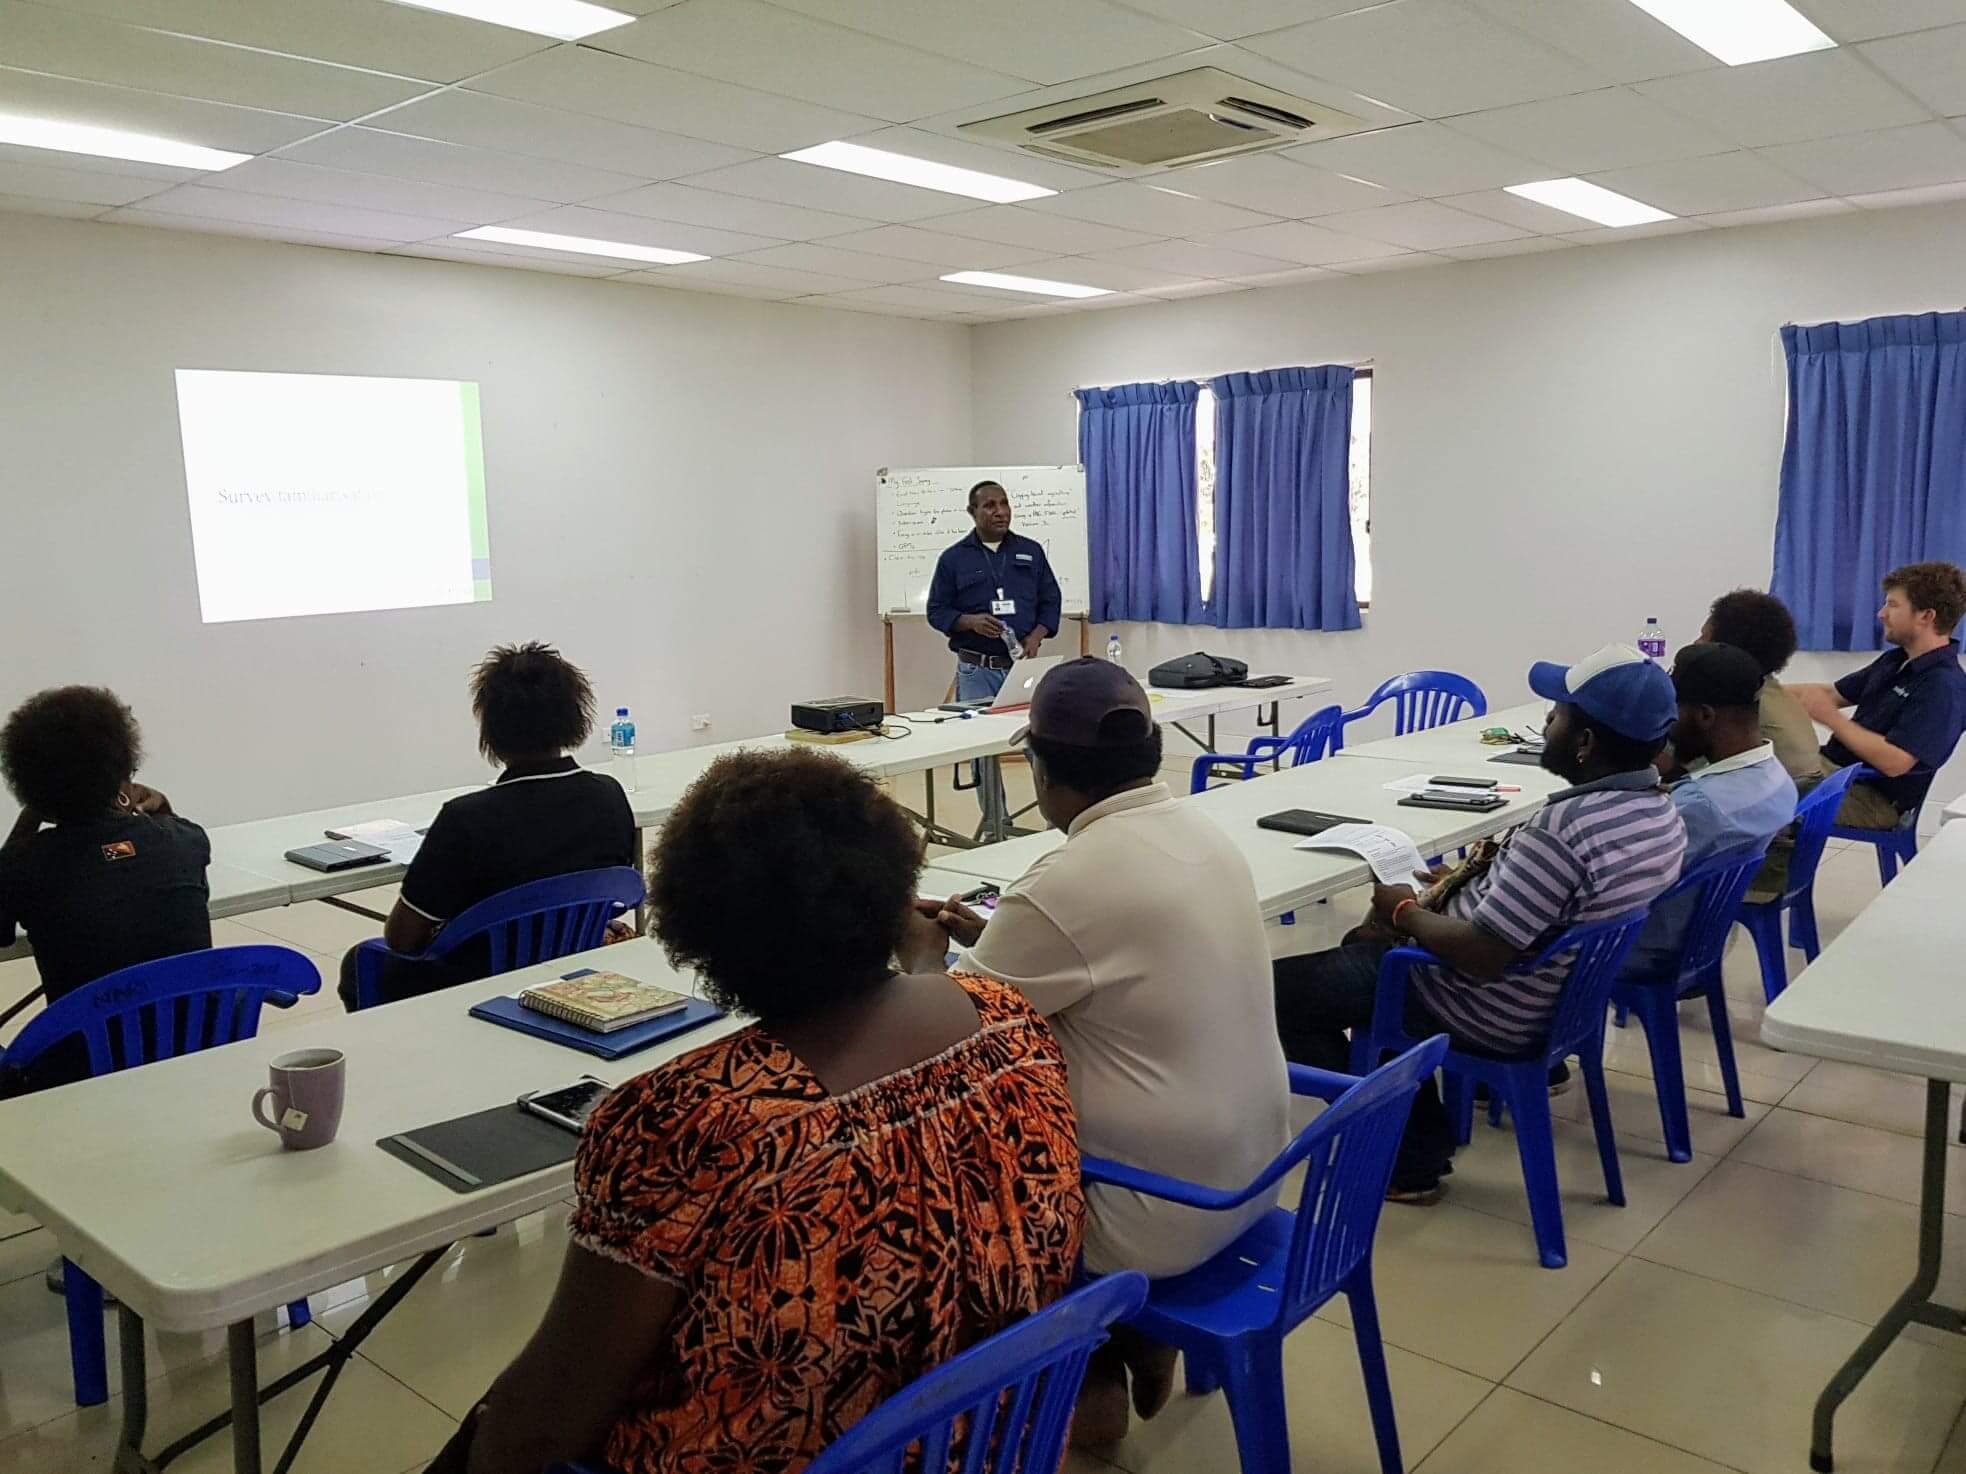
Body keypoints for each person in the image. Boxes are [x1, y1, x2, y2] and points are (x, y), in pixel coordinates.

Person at [432, 750, 1084, 1474]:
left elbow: (546, 1422)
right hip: (987, 1442)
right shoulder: (1012, 1023)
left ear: (700, 933)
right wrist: (922, 962)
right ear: (889, 890)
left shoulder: (686, 1121)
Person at [909, 658, 1288, 1444]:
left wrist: (917, 958)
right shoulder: (1204, 834)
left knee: (940, 1160)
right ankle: (1132, 1340)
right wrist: (1001, 942)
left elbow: (947, 1035)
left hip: (1157, 1213)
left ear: (1042, 773)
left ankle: (1087, 1367)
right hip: (1255, 1177)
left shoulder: (1066, 880)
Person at [1271, 645, 1687, 1202]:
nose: (1546, 722)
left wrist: (1403, 909)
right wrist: (1463, 886)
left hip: (1484, 1002)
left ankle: (1407, 1154)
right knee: (1354, 960)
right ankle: (1409, 1122)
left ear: (1585, 743)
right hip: (1557, 1003)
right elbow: (1534, 907)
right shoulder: (1658, 813)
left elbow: (1483, 953)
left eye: (1558, 713)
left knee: (1270, 994)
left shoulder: (1564, 829)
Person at [338, 642, 635, 1010]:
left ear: (489, 728)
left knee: (358, 961)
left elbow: (402, 937)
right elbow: (613, 895)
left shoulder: (466, 819)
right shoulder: (608, 795)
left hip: (479, 984)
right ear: (576, 719)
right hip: (576, 966)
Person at [0, 686, 211, 1094]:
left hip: (79, 1072)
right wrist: (155, 805)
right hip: (197, 1053)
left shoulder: (24, 865)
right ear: (126, 762)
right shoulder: (185, 840)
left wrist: (32, 816)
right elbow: (166, 838)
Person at [1623, 644, 1797, 977]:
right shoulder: (1776, 777)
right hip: (1707, 937)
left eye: (1672, 711)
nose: (1666, 723)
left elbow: (1611, 883)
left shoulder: (1699, 807)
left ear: (1705, 716)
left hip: (1646, 948)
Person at [924, 480, 1062, 837]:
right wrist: (967, 621)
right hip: (976, 669)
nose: (1000, 511)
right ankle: (996, 824)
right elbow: (936, 610)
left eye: (1004, 504)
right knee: (982, 752)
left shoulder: (1031, 552)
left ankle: (1055, 822)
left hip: (1021, 670)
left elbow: (1051, 600)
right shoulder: (954, 559)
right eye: (989, 506)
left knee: (1040, 744)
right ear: (973, 513)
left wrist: (1037, 635)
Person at [1787, 561, 1966, 831]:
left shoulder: (1944, 687)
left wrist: (1832, 719)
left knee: (1762, 796)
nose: (1881, 614)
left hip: (1873, 799)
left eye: (1893, 605)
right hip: (1835, 772)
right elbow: (1831, 694)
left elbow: (1895, 762)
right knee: (1753, 768)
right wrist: (1762, 689)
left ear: (1926, 616)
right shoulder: (1895, 661)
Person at [1699, 588, 1824, 785]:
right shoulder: (1779, 695)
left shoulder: (1736, 710)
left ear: (1727, 651)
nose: (1695, 644)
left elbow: (1680, 766)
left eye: (1704, 638)